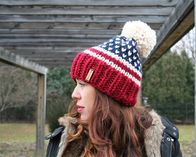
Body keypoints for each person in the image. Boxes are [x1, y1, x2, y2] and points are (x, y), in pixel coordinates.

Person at [46, 21, 182, 157]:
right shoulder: (62, 143)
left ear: (110, 95)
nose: (74, 94)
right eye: (76, 84)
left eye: (82, 84)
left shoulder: (163, 143)